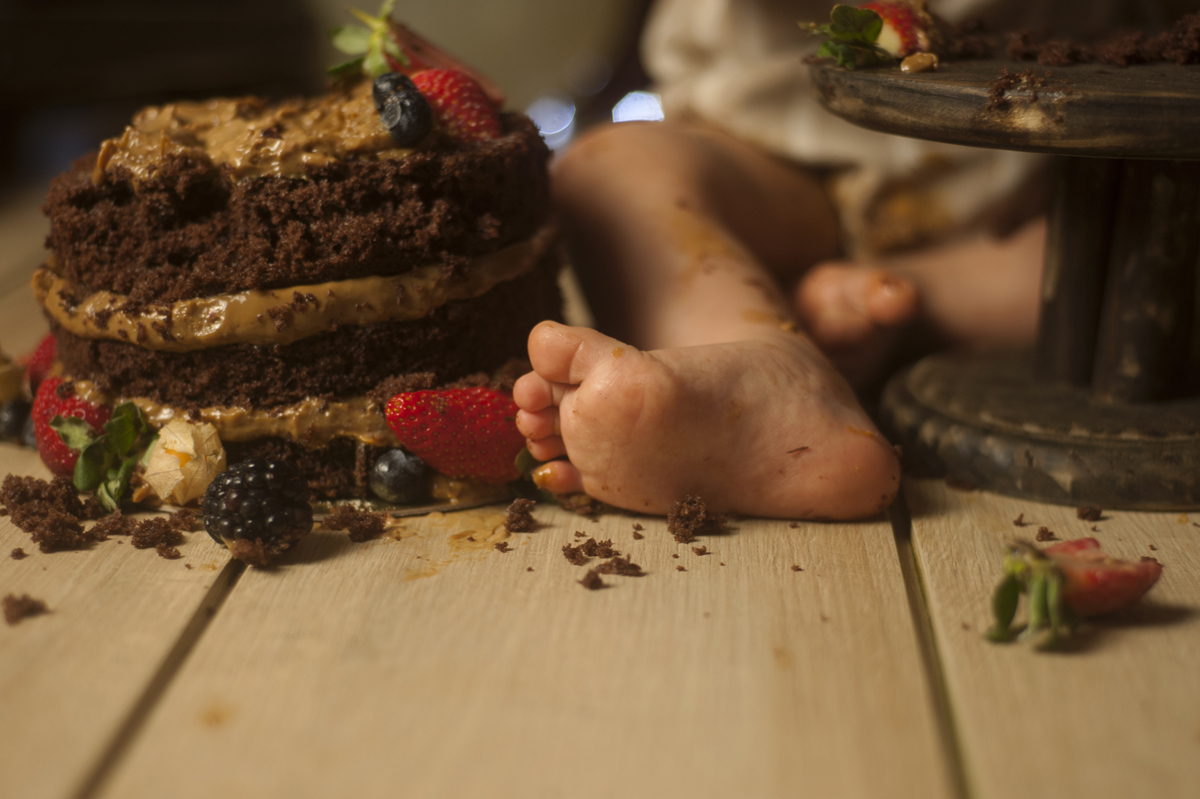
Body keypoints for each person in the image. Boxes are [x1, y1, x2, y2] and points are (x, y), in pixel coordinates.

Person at [511, 0, 1180, 520]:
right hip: (765, 165)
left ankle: (892, 298)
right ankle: (760, 357)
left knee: (1147, 247)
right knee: (607, 171)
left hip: (1022, 188)